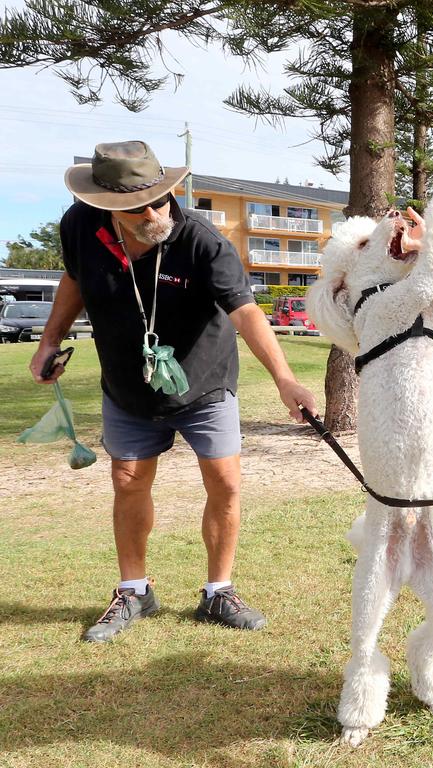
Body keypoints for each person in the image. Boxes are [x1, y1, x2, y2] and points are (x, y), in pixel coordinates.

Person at [30, 141, 318, 643]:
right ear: (105, 206)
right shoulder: (79, 226)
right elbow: (73, 280)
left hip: (204, 382)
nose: (155, 211)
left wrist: (285, 379)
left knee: (226, 483)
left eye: (160, 198)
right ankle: (134, 590)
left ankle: (218, 592)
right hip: (128, 386)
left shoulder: (201, 240)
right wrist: (49, 340)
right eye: (138, 206)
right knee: (128, 482)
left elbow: (246, 311)